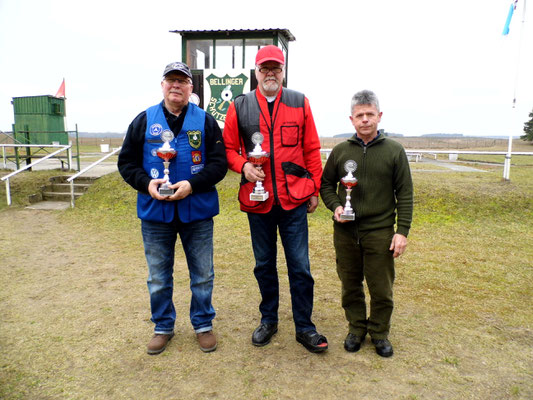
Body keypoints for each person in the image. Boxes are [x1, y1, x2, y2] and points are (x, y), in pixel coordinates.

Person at [223, 45, 328, 353]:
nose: (270, 74)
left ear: (283, 71)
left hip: (293, 199)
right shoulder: (240, 106)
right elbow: (228, 149)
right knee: (264, 264)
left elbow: (311, 149)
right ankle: (268, 320)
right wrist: (243, 165)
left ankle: (304, 327)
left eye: (276, 68)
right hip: (259, 202)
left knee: (300, 266)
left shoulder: (300, 102)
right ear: (255, 72)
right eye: (264, 68)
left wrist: (314, 189)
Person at [118, 62, 227, 355]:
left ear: (191, 88)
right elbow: (126, 163)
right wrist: (146, 184)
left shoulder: (206, 121)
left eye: (182, 81)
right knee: (158, 276)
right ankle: (163, 326)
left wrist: (192, 184)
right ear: (162, 85)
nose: (176, 85)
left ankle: (203, 324)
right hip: (156, 213)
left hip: (198, 211)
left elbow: (219, 164)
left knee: (203, 274)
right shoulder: (143, 120)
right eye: (171, 80)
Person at [320, 90, 413, 357]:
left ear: (379, 116)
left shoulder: (394, 151)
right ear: (352, 119)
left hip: (380, 231)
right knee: (350, 283)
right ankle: (356, 329)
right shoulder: (341, 151)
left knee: (381, 288)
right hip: (345, 231)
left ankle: (380, 333)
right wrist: (337, 206)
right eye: (359, 115)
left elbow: (404, 192)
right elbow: (326, 184)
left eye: (369, 114)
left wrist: (402, 232)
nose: (365, 120)